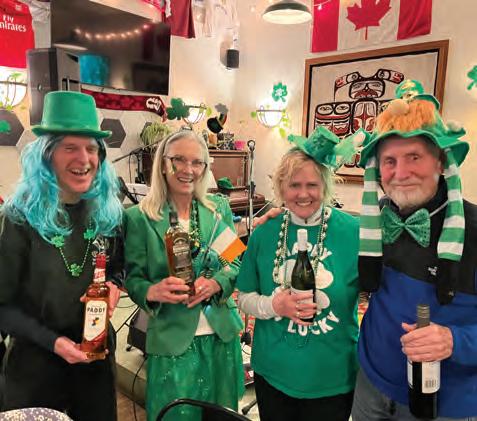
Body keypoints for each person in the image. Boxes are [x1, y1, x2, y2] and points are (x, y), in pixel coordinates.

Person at [352, 79, 477, 420]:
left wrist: (454, 340)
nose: (401, 173)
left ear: (440, 162)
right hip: (370, 385)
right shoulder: (376, 220)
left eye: (414, 157)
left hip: (446, 405)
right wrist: (286, 218)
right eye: (389, 161)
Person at [0, 91, 124, 421]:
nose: (83, 159)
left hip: (95, 360)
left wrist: (114, 285)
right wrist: (54, 342)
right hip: (35, 368)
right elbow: (2, 307)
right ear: (47, 154)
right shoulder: (18, 219)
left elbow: (118, 266)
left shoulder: (108, 212)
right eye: (70, 147)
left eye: (91, 148)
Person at [236, 127, 363, 421]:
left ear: (326, 186)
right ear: (281, 188)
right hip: (273, 373)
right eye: (294, 185)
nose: (303, 194)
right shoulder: (264, 232)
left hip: (332, 377)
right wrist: (273, 305)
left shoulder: (354, 233)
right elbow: (243, 297)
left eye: (312, 185)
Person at [123, 129, 245, 421]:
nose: (188, 169)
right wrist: (152, 291)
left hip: (221, 337)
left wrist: (216, 283)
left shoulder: (217, 209)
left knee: (222, 417)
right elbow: (133, 279)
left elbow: (234, 263)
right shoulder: (139, 218)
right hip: (171, 339)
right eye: (178, 159)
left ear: (205, 167)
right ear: (163, 163)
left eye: (197, 162)